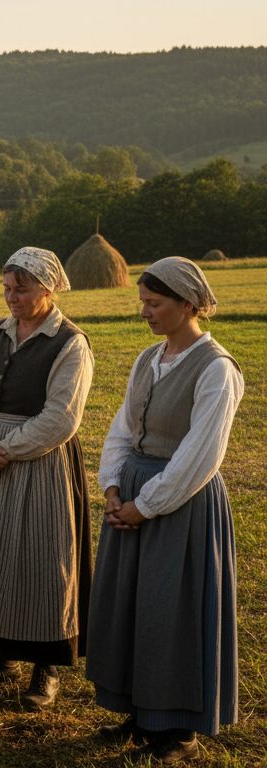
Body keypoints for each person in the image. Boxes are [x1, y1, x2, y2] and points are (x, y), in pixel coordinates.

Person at [86, 257, 243, 763]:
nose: (146, 313)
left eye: (155, 304)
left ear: (189, 305)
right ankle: (140, 712)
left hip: (181, 505)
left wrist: (146, 506)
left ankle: (176, 730)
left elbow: (201, 454)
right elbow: (122, 428)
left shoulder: (216, 368)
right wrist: (112, 487)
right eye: (143, 304)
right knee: (133, 609)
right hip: (132, 494)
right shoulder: (148, 359)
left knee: (170, 611)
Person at [0, 247, 94, 710]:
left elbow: (61, 418)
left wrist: (2, 451)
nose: (11, 297)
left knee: (38, 560)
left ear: (47, 288)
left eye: (21, 289)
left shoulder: (70, 343)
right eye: (7, 288)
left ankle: (44, 667)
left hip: (36, 464)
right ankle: (1, 651)